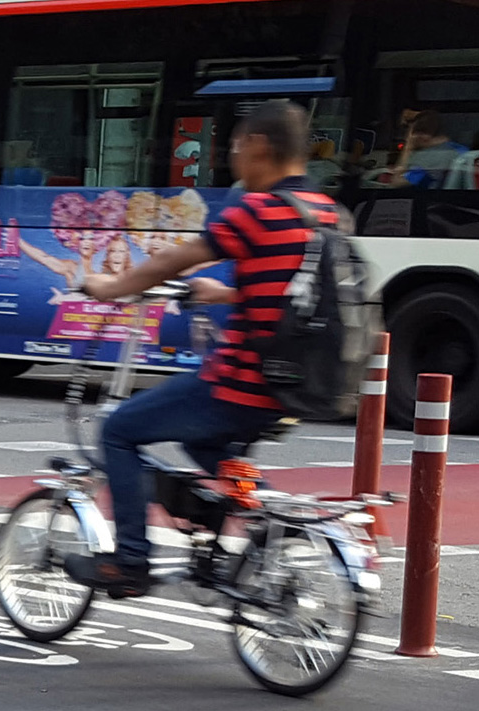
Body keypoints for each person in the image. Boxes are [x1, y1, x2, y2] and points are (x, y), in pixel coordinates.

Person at [70, 100, 337, 596]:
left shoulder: (258, 210)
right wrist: (227, 293)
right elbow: (298, 291)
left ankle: (130, 562)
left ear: (258, 146)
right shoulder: (325, 211)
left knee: (119, 430)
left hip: (241, 381)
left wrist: (111, 287)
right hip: (296, 382)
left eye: (236, 147)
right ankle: (273, 528)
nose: (234, 159)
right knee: (202, 444)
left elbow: (176, 259)